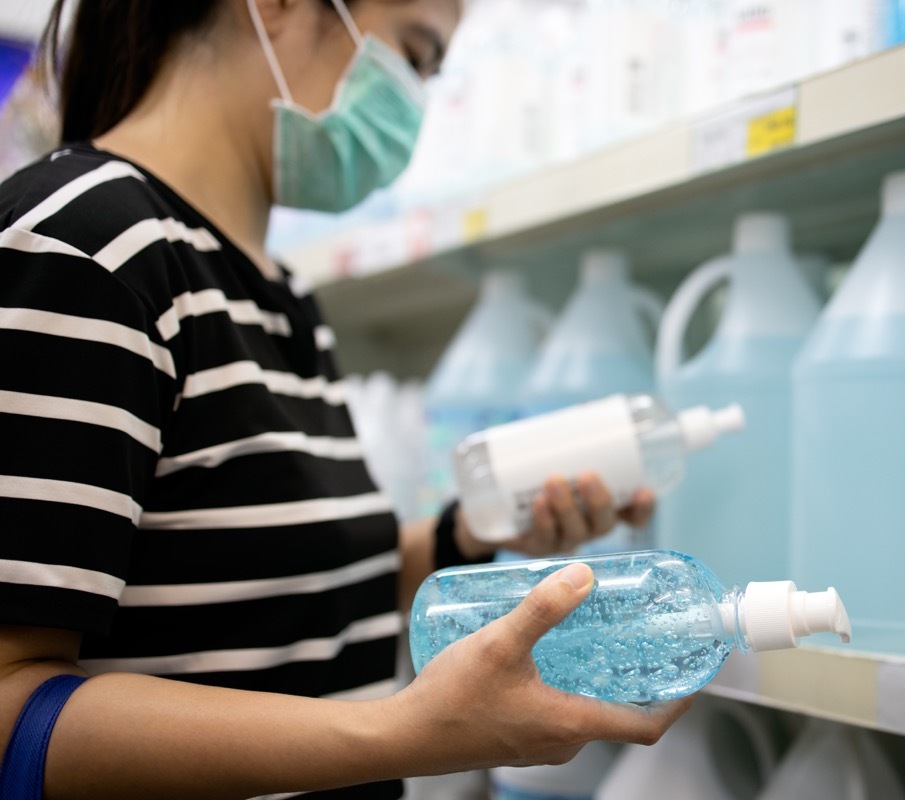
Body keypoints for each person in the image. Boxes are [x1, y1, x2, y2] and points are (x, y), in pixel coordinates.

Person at [0, 1, 693, 797]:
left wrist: (472, 536)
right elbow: (9, 703)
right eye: (413, 53)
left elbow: (275, 590)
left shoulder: (276, 291)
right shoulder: (87, 248)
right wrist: (402, 734)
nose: (414, 105)